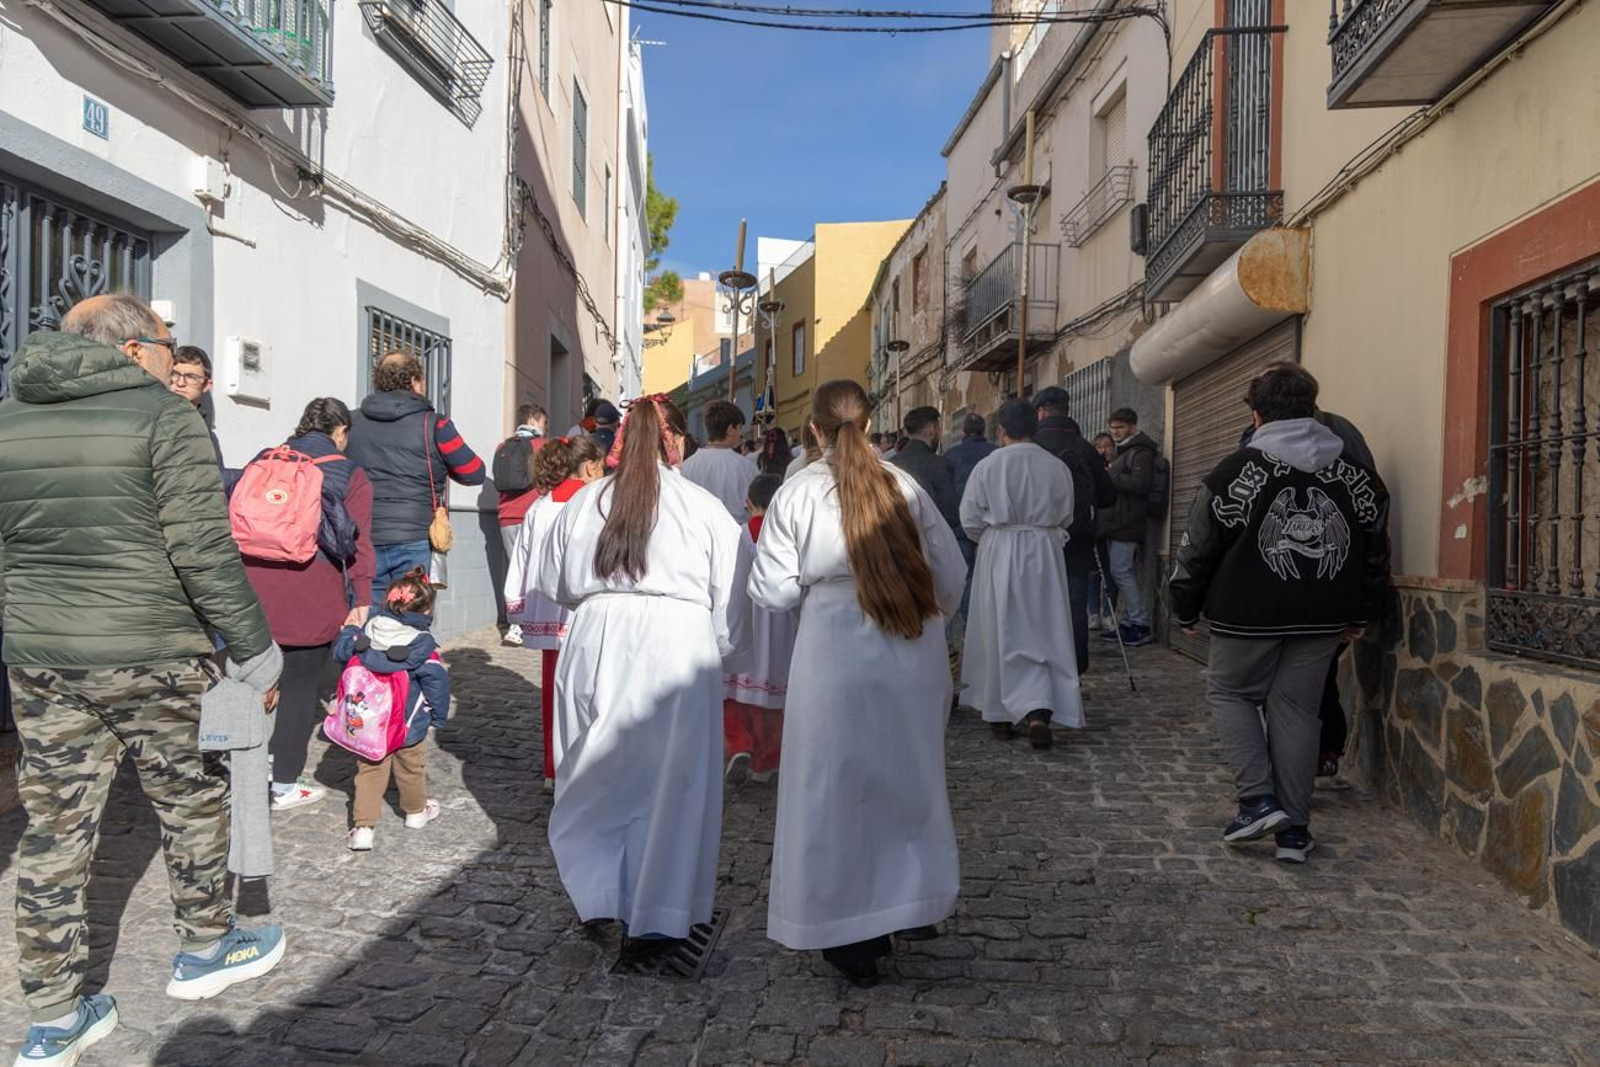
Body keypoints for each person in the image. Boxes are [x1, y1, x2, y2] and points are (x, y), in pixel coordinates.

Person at [0, 294, 286, 1059]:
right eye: (166, 343)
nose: (173, 357)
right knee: (192, 800)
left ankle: (54, 1017)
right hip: (153, 648)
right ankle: (204, 946)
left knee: (54, 829)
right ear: (132, 351)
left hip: (43, 657)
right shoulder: (166, 419)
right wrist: (257, 648)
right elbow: (202, 550)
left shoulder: (8, 418)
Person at [750, 380, 965, 987]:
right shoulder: (906, 487)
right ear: (871, 427)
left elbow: (771, 591)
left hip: (833, 649)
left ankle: (848, 930)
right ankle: (907, 901)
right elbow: (951, 575)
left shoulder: (796, 494)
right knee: (908, 778)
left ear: (813, 431)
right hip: (910, 641)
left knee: (833, 788)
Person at [532, 395, 750, 966]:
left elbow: (555, 581)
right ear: (674, 443)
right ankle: (660, 916)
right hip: (678, 643)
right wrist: (720, 652)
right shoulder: (703, 507)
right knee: (673, 785)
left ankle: (597, 891)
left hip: (597, 634)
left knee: (592, 769)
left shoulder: (584, 503)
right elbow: (733, 598)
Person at [1170, 363, 1390, 864]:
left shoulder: (1230, 473)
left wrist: (1184, 604)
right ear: (1314, 408)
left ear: (1255, 413)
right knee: (1297, 712)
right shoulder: (1358, 476)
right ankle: (1294, 831)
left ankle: (1256, 801)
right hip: (1322, 616)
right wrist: (1363, 611)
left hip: (1245, 613)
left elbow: (1198, 548)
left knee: (1231, 693)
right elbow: (1376, 550)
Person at [1237, 367, 1376, 783]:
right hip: (1331, 583)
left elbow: (1237, 516)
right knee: (1317, 678)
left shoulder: (1258, 441)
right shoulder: (1345, 434)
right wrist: (1362, 599)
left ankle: (1284, 773)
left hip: (1272, 583)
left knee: (1269, 688)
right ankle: (1321, 751)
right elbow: (1370, 516)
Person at [240, 398, 376, 812]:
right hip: (311, 589)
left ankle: (244, 768)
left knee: (252, 682)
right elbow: (359, 546)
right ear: (341, 432)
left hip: (252, 586)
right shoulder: (349, 473)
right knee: (300, 687)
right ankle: (282, 782)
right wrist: (363, 596)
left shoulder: (263, 459)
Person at [959, 400, 1081, 749]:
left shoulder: (988, 466)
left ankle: (998, 713)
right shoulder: (1056, 467)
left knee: (999, 627)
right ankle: (1040, 710)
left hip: (1000, 549)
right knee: (1044, 629)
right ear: (1036, 427)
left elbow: (969, 518)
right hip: (1044, 550)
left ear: (1001, 430)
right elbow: (1066, 513)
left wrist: (995, 538)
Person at [503, 434, 608, 793]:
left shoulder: (541, 507)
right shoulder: (598, 504)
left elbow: (522, 558)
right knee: (593, 692)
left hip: (552, 611)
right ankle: (589, 767)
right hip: (590, 613)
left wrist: (516, 605)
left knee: (554, 693)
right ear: (589, 465)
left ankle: (553, 767)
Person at [347, 352, 485, 605]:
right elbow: (474, 471)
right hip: (414, 535)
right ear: (414, 380)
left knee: (364, 618)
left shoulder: (351, 422)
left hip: (363, 536)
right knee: (409, 620)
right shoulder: (434, 425)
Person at [335, 568, 451, 851]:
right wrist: (437, 716)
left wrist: (349, 631)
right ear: (426, 610)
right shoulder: (421, 644)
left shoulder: (367, 633)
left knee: (369, 771)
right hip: (408, 723)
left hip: (369, 721)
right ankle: (415, 813)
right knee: (412, 768)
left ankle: (363, 828)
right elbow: (436, 681)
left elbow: (339, 653)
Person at [1033, 386, 1115, 675]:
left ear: (1041, 412)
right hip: (1078, 537)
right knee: (1074, 605)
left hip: (1038, 537)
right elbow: (1108, 496)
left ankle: (1040, 665)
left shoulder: (1032, 445)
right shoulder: (1085, 447)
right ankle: (1075, 665)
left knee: (1037, 605)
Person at [723, 474, 796, 785]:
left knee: (738, 690)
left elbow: (731, 579)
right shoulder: (785, 534)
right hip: (780, 621)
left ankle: (740, 744)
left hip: (747, 617)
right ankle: (767, 760)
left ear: (749, 503)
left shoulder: (739, 534)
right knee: (773, 691)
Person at [1100, 408, 1159, 648]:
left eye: (1120, 427)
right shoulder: (1124, 451)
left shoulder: (1140, 453)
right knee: (1122, 572)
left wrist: (1110, 476)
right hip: (1119, 522)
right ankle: (1127, 623)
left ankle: (1140, 624)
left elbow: (1141, 484)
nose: (1115, 431)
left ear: (1132, 427)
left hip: (1129, 522)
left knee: (1121, 571)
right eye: (1113, 427)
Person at [494, 404, 549, 647]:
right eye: (544, 423)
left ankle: (513, 625)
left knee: (514, 571)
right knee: (532, 570)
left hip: (506, 516)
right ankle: (527, 624)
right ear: (536, 420)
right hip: (533, 516)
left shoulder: (503, 446)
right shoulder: (543, 446)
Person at [943, 412, 998, 617]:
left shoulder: (950, 454)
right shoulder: (995, 453)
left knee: (964, 576)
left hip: (959, 526)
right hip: (991, 526)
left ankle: (963, 627)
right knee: (986, 579)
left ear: (963, 432)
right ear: (984, 430)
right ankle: (980, 623)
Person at [679, 399, 756, 522]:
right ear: (730, 429)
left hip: (698, 535)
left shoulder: (685, 468)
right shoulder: (746, 466)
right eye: (740, 428)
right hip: (736, 535)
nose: (741, 434)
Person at [889, 406, 960, 533]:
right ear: (931, 430)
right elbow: (952, 515)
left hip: (896, 541)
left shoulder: (890, 464)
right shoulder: (940, 465)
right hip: (930, 543)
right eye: (939, 429)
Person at [1087, 432, 1117, 632]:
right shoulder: (1093, 470)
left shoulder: (1120, 466)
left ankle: (1109, 614)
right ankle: (1093, 614)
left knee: (1111, 571)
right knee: (1093, 573)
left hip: (1115, 526)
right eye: (1098, 446)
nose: (1103, 449)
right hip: (1096, 525)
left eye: (1107, 445)